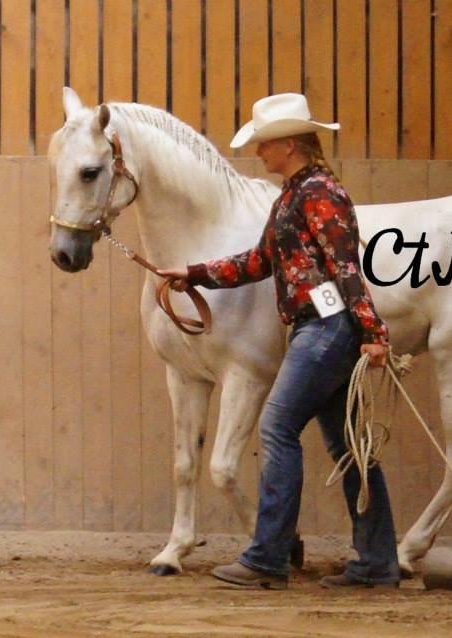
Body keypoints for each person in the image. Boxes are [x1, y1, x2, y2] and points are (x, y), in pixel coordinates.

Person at [159, 93, 400, 590]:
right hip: (320, 328)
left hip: (326, 328)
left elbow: (346, 267)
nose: (259, 154)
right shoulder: (293, 195)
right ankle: (377, 561)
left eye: (264, 144)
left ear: (289, 144)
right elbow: (259, 260)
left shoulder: (319, 195)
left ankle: (268, 557)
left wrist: (373, 332)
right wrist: (195, 274)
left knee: (277, 427)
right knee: (348, 446)